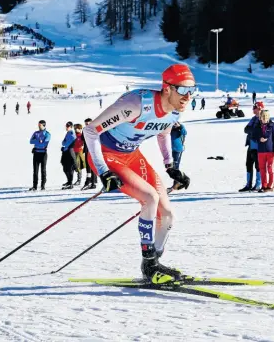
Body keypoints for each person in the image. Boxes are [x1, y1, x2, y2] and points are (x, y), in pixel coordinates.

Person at [83, 63, 193, 284]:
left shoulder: (173, 112)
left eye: (191, 90)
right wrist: (104, 172)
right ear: (167, 88)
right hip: (107, 155)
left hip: (132, 156)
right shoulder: (136, 105)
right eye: (182, 90)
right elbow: (90, 130)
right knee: (150, 198)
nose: (187, 96)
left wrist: (170, 166)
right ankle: (150, 264)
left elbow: (163, 132)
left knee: (168, 214)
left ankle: (152, 263)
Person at [239, 101, 264, 192]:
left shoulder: (263, 118)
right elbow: (246, 129)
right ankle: (248, 184)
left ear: (259, 109)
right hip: (251, 144)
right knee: (248, 164)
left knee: (258, 165)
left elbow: (260, 131)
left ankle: (258, 184)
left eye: (255, 108)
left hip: (258, 146)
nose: (253, 109)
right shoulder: (253, 119)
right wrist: (252, 130)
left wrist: (253, 131)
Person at [253, 109, 274, 192]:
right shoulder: (257, 126)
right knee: (262, 169)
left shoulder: (272, 126)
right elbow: (254, 136)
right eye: (263, 117)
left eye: (266, 117)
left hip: (270, 151)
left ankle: (270, 185)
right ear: (260, 117)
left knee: (270, 168)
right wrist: (259, 139)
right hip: (261, 151)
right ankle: (264, 186)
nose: (264, 119)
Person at [29, 120, 51, 191]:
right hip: (36, 153)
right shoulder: (36, 133)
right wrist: (38, 141)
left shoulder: (47, 134)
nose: (39, 126)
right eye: (38, 125)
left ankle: (43, 185)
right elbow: (31, 141)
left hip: (43, 153)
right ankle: (34, 186)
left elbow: (45, 142)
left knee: (43, 170)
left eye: (40, 125)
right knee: (35, 170)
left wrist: (39, 141)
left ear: (44, 125)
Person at [167, 122, 187, 193]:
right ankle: (178, 181)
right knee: (170, 167)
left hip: (178, 149)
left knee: (175, 167)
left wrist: (180, 126)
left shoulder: (179, 126)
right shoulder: (168, 126)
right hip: (169, 149)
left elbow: (184, 132)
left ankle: (177, 183)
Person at [81, 118, 98, 190]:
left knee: (92, 166)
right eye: (86, 124)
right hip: (87, 149)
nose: (87, 125)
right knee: (88, 166)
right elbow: (82, 138)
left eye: (88, 123)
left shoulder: (94, 129)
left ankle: (93, 182)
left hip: (93, 149)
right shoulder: (84, 130)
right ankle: (89, 181)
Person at [61, 121, 76, 189]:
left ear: (71, 127)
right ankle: (69, 181)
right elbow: (63, 142)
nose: (66, 128)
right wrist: (64, 144)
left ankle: (70, 183)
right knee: (65, 168)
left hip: (70, 151)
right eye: (66, 126)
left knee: (70, 168)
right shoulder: (68, 133)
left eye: (68, 126)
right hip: (66, 151)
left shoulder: (72, 134)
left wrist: (65, 144)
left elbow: (65, 143)